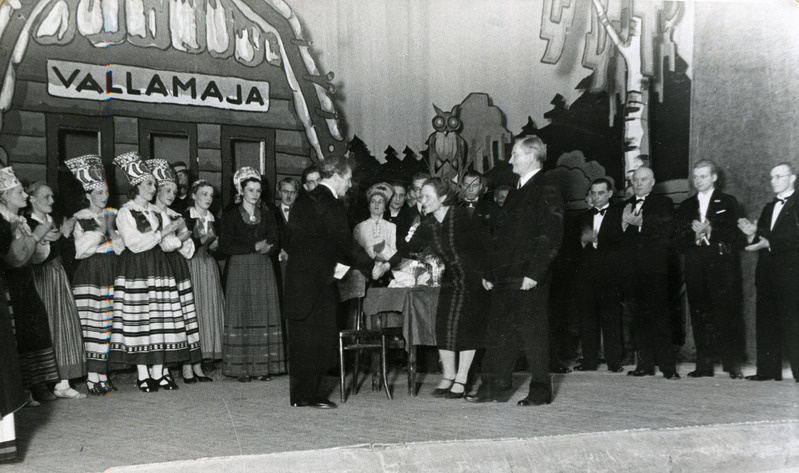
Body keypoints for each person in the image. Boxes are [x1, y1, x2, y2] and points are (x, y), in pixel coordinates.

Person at [465, 136, 564, 406]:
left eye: (515, 155)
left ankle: (541, 391)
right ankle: (493, 387)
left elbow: (552, 234)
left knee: (533, 335)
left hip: (528, 277)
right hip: (506, 276)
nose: (510, 160)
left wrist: (535, 273)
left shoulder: (547, 186)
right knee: (500, 332)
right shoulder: (517, 189)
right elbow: (500, 239)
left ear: (531, 156)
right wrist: (489, 272)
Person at [283, 155, 378, 409]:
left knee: (303, 338)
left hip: (298, 280)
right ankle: (309, 395)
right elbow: (344, 243)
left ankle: (301, 395)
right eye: (347, 179)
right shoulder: (331, 203)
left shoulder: (304, 200)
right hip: (318, 282)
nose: (349, 184)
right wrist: (372, 267)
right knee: (319, 339)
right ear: (336, 175)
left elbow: (289, 242)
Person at [383, 177, 489, 398]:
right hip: (451, 278)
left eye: (428, 197)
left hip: (473, 278)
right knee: (443, 325)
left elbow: (485, 246)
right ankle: (448, 376)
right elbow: (407, 249)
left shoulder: (462, 216)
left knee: (467, 328)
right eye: (422, 196)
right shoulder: (429, 224)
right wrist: (385, 264)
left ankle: (462, 379)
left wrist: (488, 275)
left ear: (443, 198)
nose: (423, 200)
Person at [110, 152, 193, 393]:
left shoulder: (157, 213)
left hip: (158, 267)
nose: (153, 187)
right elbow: (135, 243)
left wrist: (178, 237)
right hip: (136, 269)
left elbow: (166, 245)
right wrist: (162, 234)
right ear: (136, 185)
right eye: (149, 183)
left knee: (160, 320)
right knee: (140, 320)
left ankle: (158, 372)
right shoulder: (125, 212)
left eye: (154, 184)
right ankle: (142, 373)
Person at [674, 160, 745, 379]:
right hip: (696, 265)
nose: (698, 181)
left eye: (703, 176)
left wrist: (710, 230)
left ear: (714, 177)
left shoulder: (728, 201)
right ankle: (703, 364)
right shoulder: (686, 206)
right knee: (699, 314)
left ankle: (732, 364)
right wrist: (694, 236)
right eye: (696, 177)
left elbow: (737, 236)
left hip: (721, 266)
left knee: (726, 313)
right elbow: (677, 239)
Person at [0, 166, 60, 404]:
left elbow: (34, 257)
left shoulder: (20, 221)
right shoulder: (4, 222)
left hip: (26, 281)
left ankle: (38, 383)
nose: (25, 196)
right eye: (19, 193)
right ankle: (21, 388)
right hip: (9, 282)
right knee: (16, 334)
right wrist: (36, 237)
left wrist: (43, 240)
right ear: (4, 195)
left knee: (35, 329)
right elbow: (14, 258)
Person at [65, 154, 124, 395]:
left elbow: (121, 246)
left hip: (112, 269)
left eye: (105, 192)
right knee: (93, 323)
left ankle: (102, 374)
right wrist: (104, 234)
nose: (104, 197)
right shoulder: (81, 217)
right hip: (91, 272)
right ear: (88, 195)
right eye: (98, 193)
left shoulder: (113, 214)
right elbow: (81, 250)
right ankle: (92, 376)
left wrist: (111, 235)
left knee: (109, 322)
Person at [219, 167, 284, 382]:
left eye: (258, 190)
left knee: (262, 312)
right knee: (243, 313)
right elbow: (226, 245)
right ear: (242, 191)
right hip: (239, 268)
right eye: (250, 190)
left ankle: (263, 367)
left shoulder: (267, 214)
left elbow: (275, 238)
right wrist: (253, 245)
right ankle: (242, 368)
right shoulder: (230, 215)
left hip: (263, 268)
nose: (255, 194)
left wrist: (271, 248)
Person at [738, 162, 799, 382]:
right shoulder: (768, 208)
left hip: (791, 275)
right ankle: (767, 371)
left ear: (792, 178)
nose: (773, 181)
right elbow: (761, 237)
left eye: (779, 176)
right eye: (771, 177)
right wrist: (750, 235)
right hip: (766, 274)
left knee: (794, 323)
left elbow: (793, 239)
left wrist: (767, 241)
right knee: (766, 323)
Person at [26, 182, 87, 399]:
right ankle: (39, 384)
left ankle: (63, 381)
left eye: (52, 196)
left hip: (58, 276)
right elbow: (33, 256)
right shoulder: (27, 223)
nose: (52, 201)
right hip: (39, 279)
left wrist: (65, 235)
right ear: (31, 199)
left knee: (65, 324)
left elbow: (66, 254)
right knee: (45, 327)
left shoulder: (53, 221)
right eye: (46, 197)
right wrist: (59, 236)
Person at [148, 159, 207, 383]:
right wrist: (177, 239)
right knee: (160, 317)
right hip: (158, 266)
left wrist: (181, 239)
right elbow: (160, 244)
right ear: (157, 190)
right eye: (167, 190)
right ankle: (158, 368)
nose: (171, 194)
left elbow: (189, 249)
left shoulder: (175, 215)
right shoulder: (150, 212)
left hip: (177, 267)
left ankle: (177, 366)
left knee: (179, 316)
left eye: (174, 191)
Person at [620, 166, 679, 379]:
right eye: (635, 179)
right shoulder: (625, 205)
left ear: (652, 182)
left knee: (660, 317)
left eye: (643, 179)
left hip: (655, 270)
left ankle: (667, 367)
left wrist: (640, 222)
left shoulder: (663, 203)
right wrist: (623, 226)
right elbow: (619, 239)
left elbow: (667, 227)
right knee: (638, 318)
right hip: (633, 272)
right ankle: (644, 365)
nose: (638, 183)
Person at [571, 178, 625, 372]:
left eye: (601, 193)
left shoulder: (620, 214)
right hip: (586, 278)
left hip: (610, 276)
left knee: (611, 318)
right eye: (593, 193)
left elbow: (623, 246)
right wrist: (583, 243)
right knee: (587, 319)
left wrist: (598, 242)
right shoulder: (582, 218)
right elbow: (573, 250)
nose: (596, 197)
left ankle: (614, 362)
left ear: (610, 193)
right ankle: (589, 361)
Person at [183, 180, 225, 367]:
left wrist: (217, 246)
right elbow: (184, 245)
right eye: (203, 194)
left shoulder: (215, 219)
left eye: (210, 195)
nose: (208, 198)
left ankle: (210, 352)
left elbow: (222, 250)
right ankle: (194, 355)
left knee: (211, 307)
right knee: (195, 307)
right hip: (192, 264)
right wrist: (202, 240)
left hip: (209, 266)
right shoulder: (186, 217)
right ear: (193, 196)